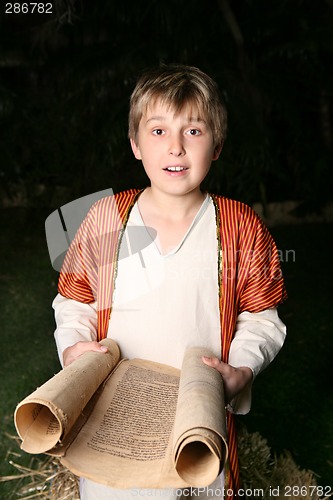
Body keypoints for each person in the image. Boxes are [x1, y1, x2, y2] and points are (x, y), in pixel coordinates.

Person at [53, 64, 287, 499]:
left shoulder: (239, 227)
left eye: (193, 131)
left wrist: (241, 369)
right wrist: (73, 345)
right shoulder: (106, 220)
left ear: (216, 145)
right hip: (114, 414)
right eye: (158, 131)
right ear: (135, 144)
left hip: (197, 420)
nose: (175, 147)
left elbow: (261, 318)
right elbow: (75, 301)